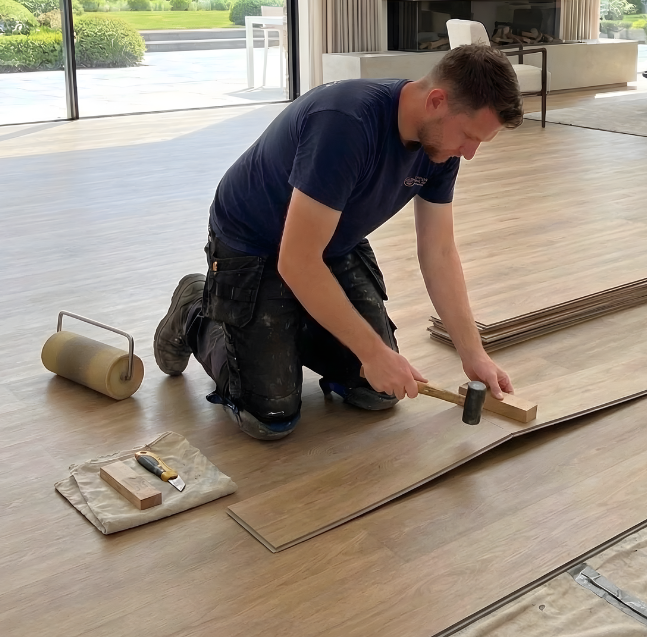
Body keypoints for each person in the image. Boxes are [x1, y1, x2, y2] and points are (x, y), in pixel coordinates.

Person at [153, 42, 524, 440]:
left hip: (330, 243)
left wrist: (473, 353)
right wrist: (371, 351)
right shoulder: (345, 122)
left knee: (377, 390)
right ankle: (195, 306)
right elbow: (296, 260)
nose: (468, 154)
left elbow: (439, 251)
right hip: (254, 245)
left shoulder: (440, 149)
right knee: (270, 415)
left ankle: (286, 322)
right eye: (469, 137)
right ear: (436, 100)